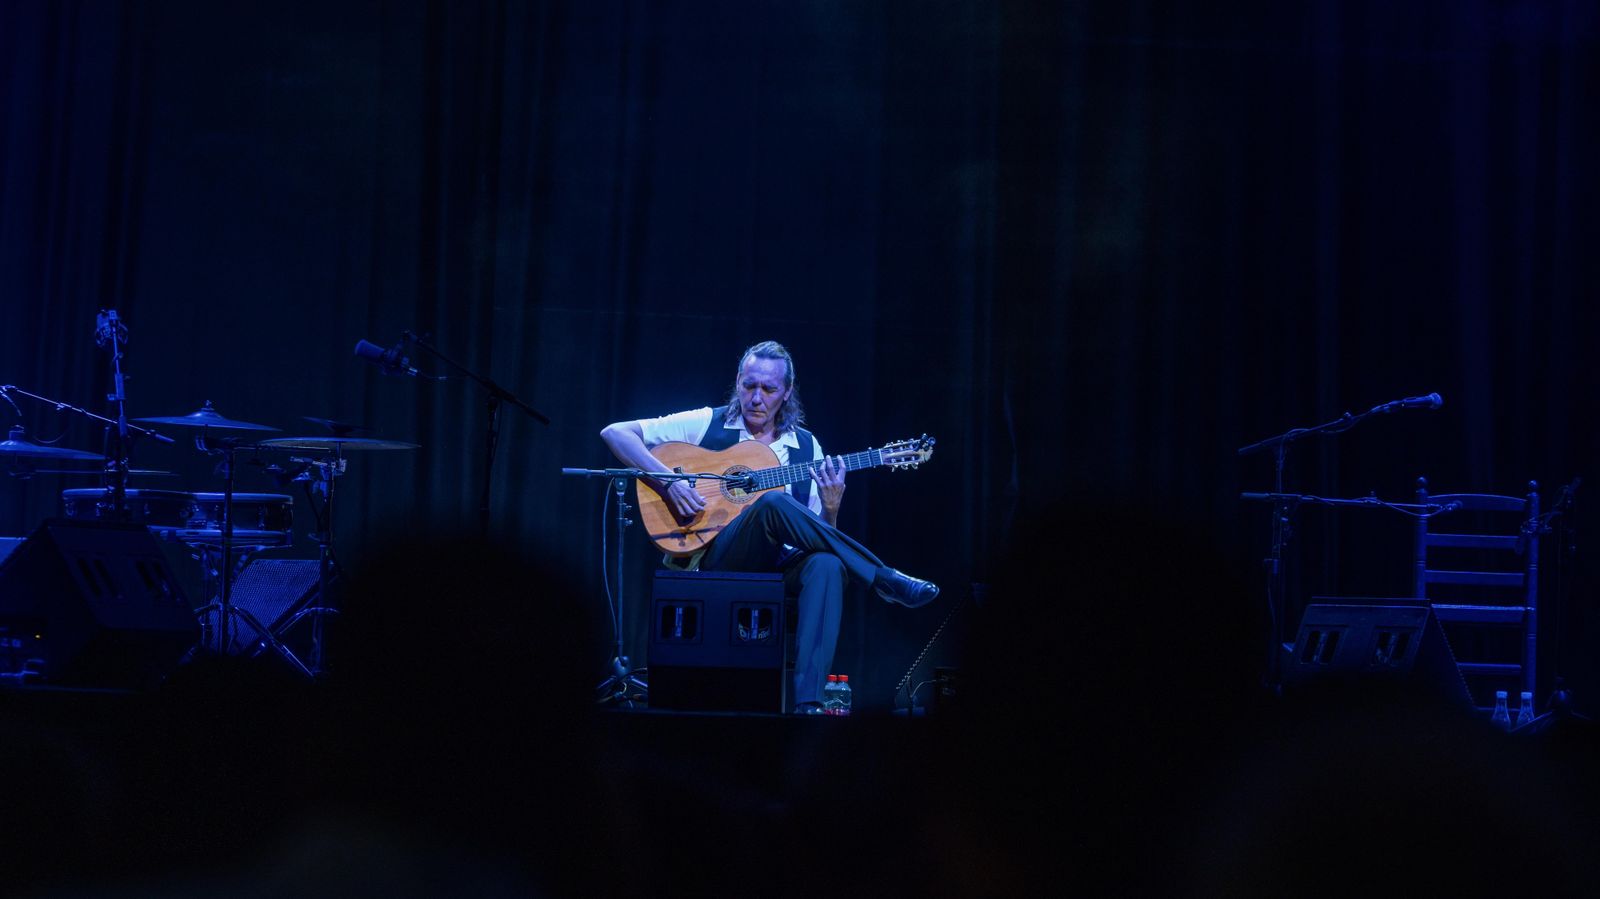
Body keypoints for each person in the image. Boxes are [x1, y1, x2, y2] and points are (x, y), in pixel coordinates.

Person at [600, 340, 938, 714]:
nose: (756, 398)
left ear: (787, 392)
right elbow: (615, 433)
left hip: (779, 569)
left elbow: (819, 538)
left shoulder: (807, 448)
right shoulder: (708, 423)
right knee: (773, 502)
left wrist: (830, 509)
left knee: (828, 565)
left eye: (769, 389)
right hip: (716, 559)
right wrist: (670, 482)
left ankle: (808, 705)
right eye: (749, 385)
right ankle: (882, 577)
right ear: (738, 381)